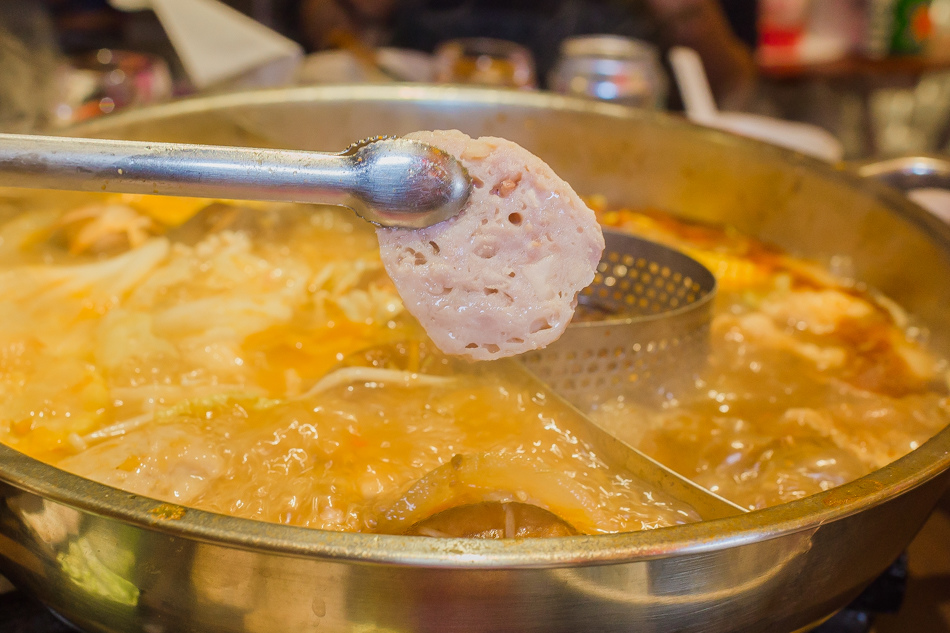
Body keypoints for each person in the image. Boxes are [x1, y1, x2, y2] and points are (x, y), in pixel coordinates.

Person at [298, 0, 758, 110]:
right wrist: (352, 16)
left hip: (618, 162)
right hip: (422, 130)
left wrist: (689, 14)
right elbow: (325, 22)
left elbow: (735, 88)